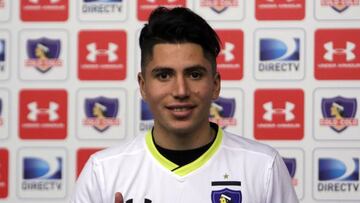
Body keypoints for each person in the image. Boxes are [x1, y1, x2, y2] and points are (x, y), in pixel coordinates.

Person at [71, 7, 298, 203]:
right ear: (143, 85)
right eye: (163, 75)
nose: (180, 91)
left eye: (194, 74)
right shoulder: (103, 172)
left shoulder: (263, 167)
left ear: (215, 84)